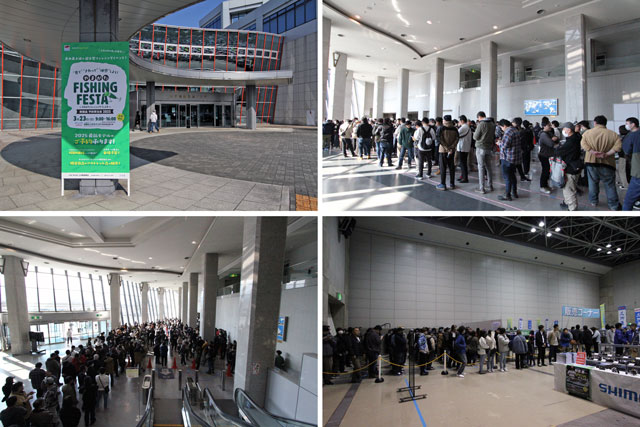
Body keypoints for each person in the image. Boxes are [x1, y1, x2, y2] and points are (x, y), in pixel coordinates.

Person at [581, 115, 622, 210]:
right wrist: (607, 154)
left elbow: (583, 144)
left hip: (591, 161)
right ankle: (613, 205)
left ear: (595, 123)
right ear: (605, 123)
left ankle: (593, 201)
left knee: (592, 183)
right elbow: (618, 147)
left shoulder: (587, 133)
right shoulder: (613, 134)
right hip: (607, 163)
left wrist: (593, 152)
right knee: (610, 185)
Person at [555, 122, 584, 210]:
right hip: (576, 166)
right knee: (571, 186)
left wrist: (556, 149)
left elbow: (559, 152)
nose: (563, 131)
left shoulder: (571, 141)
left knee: (568, 189)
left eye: (564, 129)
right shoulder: (576, 137)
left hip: (571, 168)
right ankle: (567, 202)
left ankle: (572, 208)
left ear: (569, 130)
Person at [498, 119, 522, 201]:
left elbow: (504, 146)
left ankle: (507, 195)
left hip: (507, 158)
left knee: (507, 177)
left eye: (501, 127)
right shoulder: (515, 130)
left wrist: (499, 143)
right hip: (514, 157)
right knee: (512, 176)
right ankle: (514, 192)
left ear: (504, 126)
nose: (501, 129)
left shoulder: (508, 132)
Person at [474, 112, 496, 194]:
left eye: (478, 118)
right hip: (489, 147)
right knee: (488, 167)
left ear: (479, 117)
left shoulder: (481, 124)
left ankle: (481, 188)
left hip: (480, 147)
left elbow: (475, 137)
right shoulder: (492, 124)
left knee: (481, 167)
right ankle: (490, 185)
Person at [437, 115, 459, 190]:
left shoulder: (441, 128)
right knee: (451, 167)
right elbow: (457, 139)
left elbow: (439, 139)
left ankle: (443, 184)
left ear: (444, 120)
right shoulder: (455, 128)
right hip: (452, 151)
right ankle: (452, 184)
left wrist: (447, 148)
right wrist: (451, 147)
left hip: (443, 150)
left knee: (443, 167)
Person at [622, 117, 640, 210]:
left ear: (633, 124)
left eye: (627, 123)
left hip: (638, 171)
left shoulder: (632, 136)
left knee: (628, 201)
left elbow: (626, 150)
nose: (626, 125)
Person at [537, 121, 558, 194]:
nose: (550, 127)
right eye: (549, 125)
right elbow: (551, 144)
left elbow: (556, 138)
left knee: (548, 171)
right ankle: (542, 186)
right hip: (544, 155)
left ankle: (546, 185)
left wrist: (554, 139)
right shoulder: (543, 134)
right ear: (544, 126)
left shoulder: (549, 133)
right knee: (545, 171)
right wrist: (553, 140)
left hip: (548, 155)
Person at [457, 115, 472, 182]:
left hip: (462, 147)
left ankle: (465, 178)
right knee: (463, 163)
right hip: (465, 147)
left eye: (459, 121)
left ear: (462, 121)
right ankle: (463, 176)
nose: (459, 122)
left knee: (463, 163)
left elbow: (456, 133)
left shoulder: (463, 127)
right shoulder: (467, 127)